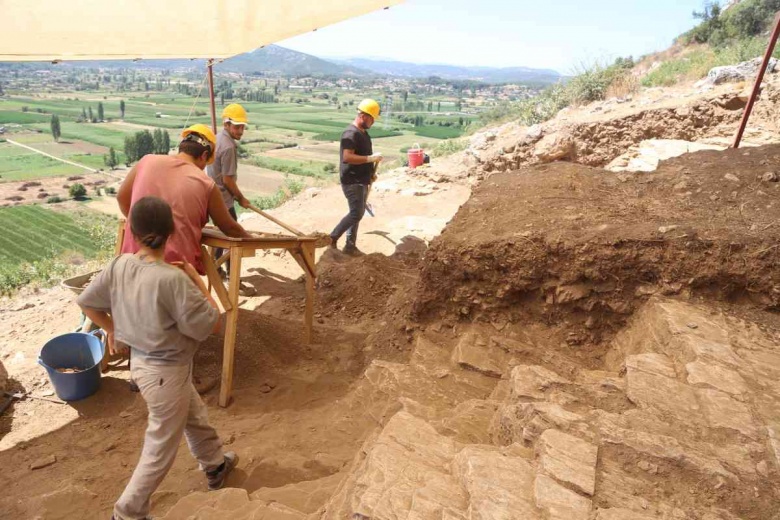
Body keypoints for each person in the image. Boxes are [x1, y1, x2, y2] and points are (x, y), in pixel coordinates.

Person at [77, 196, 238, 520]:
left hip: (146, 367)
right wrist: (194, 278)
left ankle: (215, 464)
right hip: (167, 373)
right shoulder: (174, 279)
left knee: (194, 415)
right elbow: (214, 322)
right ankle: (127, 512)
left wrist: (114, 328)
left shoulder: (119, 265)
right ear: (171, 232)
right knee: (160, 449)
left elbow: (87, 302)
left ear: (132, 232)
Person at [117, 123, 252, 276]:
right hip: (176, 272)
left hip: (131, 263)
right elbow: (229, 227)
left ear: (182, 147)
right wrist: (251, 239)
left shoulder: (146, 161)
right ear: (203, 156)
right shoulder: (205, 183)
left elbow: (122, 198)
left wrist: (143, 227)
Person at [329, 99, 383, 256]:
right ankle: (332, 238)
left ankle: (350, 246)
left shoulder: (364, 134)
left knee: (356, 213)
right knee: (356, 213)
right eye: (372, 119)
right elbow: (347, 157)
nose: (373, 123)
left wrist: (370, 172)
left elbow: (363, 156)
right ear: (364, 116)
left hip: (361, 180)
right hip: (352, 181)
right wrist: (370, 159)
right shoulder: (351, 133)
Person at [206, 104, 252, 287]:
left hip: (213, 196)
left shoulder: (217, 139)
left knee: (221, 235)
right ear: (226, 124)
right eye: (237, 127)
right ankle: (233, 281)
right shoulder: (228, 147)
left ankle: (216, 270)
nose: (241, 131)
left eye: (242, 127)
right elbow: (228, 180)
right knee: (233, 237)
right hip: (223, 200)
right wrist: (240, 198)